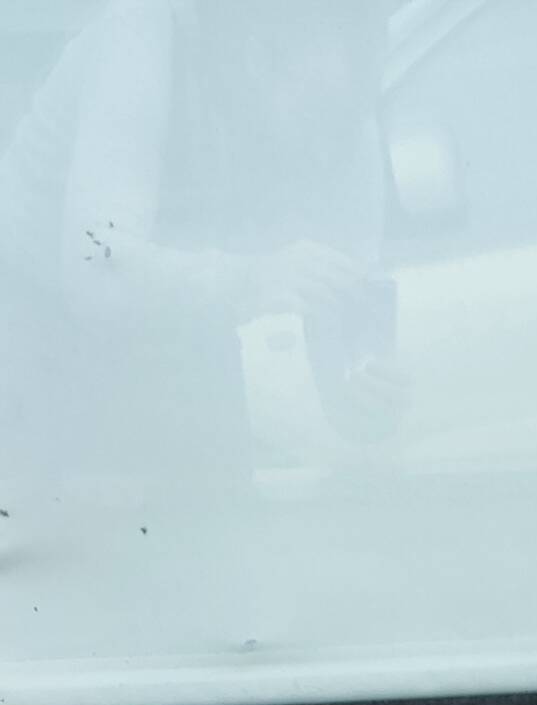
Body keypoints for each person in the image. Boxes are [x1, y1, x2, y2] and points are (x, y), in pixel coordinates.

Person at [0, 0, 394, 516]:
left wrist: (362, 394)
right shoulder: (138, 39)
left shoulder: (344, 122)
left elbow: (343, 351)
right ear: (262, 50)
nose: (315, 143)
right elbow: (95, 270)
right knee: (64, 536)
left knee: (226, 527)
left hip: (187, 328)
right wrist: (250, 281)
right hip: (34, 331)